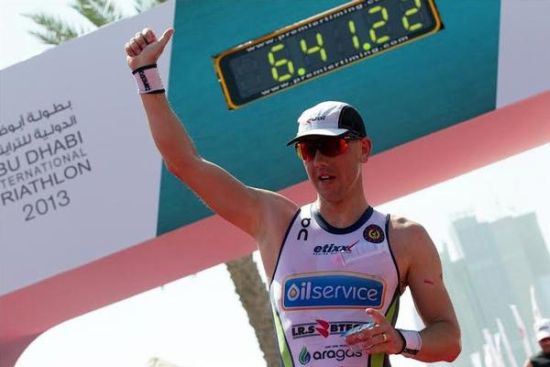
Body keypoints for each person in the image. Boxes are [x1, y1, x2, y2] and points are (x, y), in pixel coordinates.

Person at [124, 27, 461, 365]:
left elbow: (448, 340)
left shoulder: (404, 238)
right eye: (307, 150)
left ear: (364, 149)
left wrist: (401, 340)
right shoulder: (276, 222)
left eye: (331, 146)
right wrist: (145, 74)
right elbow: (185, 164)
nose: (319, 161)